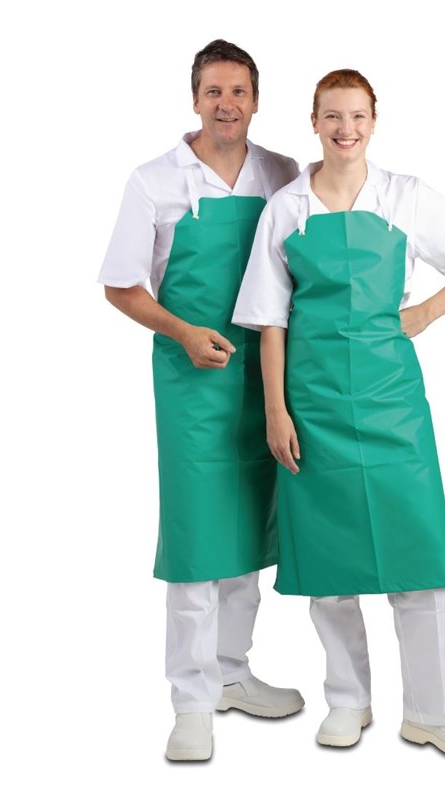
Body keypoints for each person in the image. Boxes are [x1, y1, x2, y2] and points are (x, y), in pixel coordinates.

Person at [232, 69, 445, 758]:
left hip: (393, 406)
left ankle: (430, 711)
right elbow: (269, 320)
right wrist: (276, 410)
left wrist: (427, 311)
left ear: (374, 121)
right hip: (314, 404)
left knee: (420, 563)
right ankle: (348, 700)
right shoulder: (287, 208)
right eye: (332, 116)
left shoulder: (404, 196)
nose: (345, 128)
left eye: (357, 116)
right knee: (330, 567)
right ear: (314, 122)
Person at [98, 39, 304, 762]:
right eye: (214, 91)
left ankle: (231, 674)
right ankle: (190, 703)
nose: (227, 104)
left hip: (266, 377)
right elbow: (121, 286)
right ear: (195, 99)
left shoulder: (281, 173)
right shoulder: (155, 180)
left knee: (249, 529)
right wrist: (184, 332)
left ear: (256, 100)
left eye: (239, 91)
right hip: (192, 382)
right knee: (195, 541)